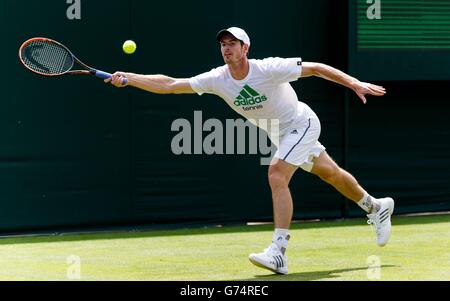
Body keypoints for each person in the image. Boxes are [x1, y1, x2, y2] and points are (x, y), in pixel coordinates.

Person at [106, 27, 394, 275]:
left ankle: (279, 251)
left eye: (232, 44)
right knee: (330, 173)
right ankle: (375, 206)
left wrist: (354, 83)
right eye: (223, 44)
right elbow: (170, 85)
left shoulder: (268, 68)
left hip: (301, 122)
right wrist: (130, 77)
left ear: (245, 48)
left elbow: (316, 68)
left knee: (276, 174)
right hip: (278, 132)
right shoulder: (218, 78)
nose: (226, 49)